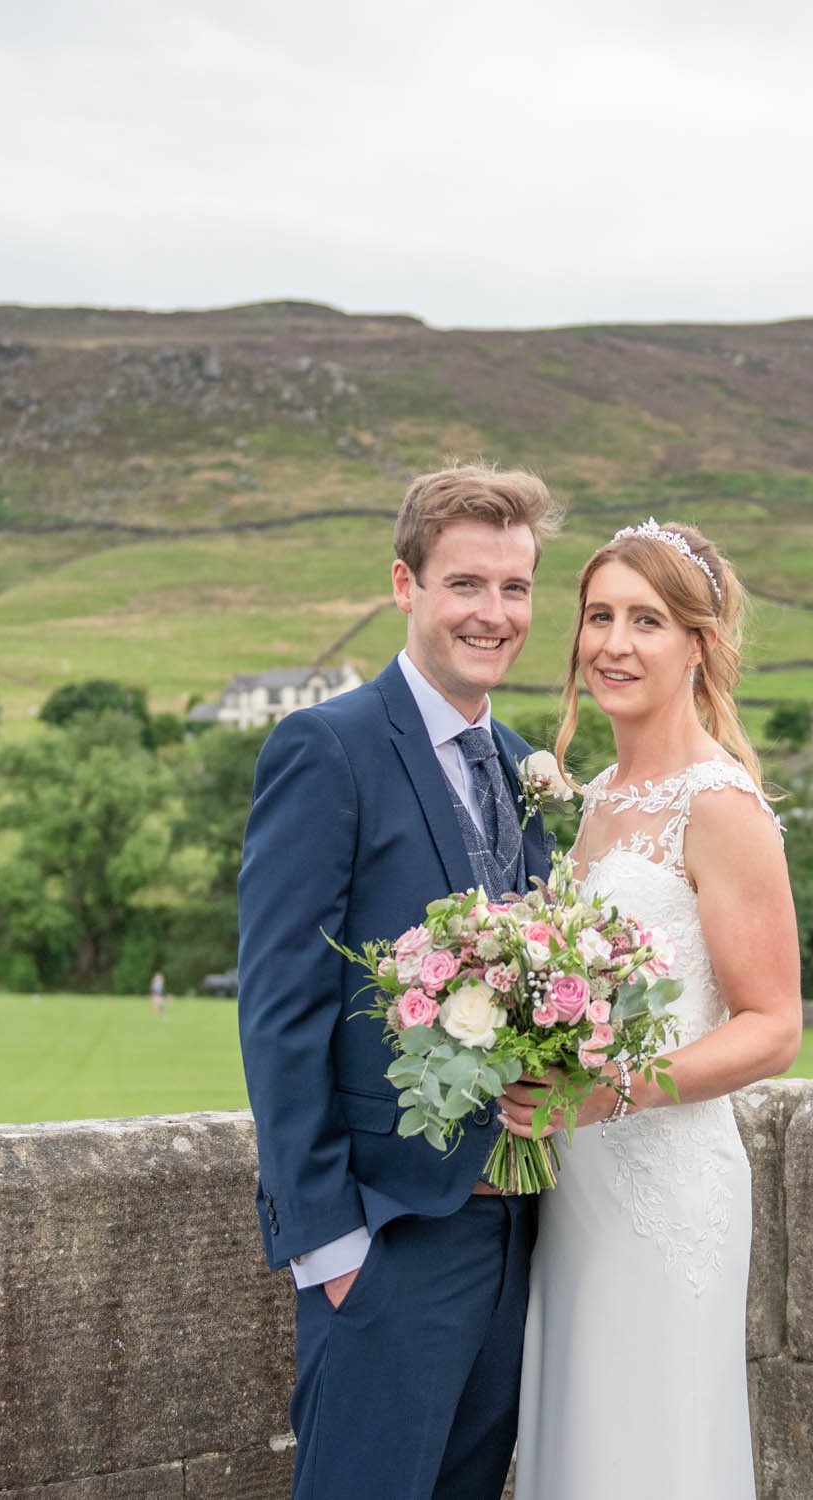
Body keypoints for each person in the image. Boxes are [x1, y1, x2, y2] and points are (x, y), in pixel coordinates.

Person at [237, 463, 564, 1500]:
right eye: (467, 584)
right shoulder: (326, 748)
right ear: (405, 584)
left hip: (512, 1238)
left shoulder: (521, 764)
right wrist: (332, 1249)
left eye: (515, 588)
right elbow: (281, 1007)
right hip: (385, 1241)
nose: (494, 613)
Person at [502, 519, 801, 1499]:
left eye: (648, 621)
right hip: (575, 1185)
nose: (614, 644)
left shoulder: (721, 806)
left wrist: (613, 1093)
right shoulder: (597, 800)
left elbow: (773, 1027)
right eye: (599, 617)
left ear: (698, 645)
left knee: (651, 1452)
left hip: (667, 1184)